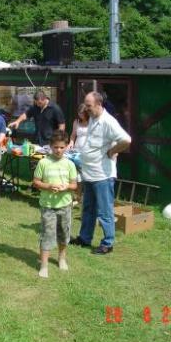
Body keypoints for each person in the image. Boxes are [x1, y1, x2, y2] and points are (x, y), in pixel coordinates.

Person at [70, 92, 131, 255]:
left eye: (89, 105)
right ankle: (84, 238)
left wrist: (112, 151)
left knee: (104, 211)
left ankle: (107, 243)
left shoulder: (108, 121)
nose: (86, 108)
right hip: (89, 172)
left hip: (103, 175)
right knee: (88, 208)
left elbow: (126, 140)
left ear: (99, 104)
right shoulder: (93, 118)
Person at [33, 131, 77, 278]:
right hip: (48, 206)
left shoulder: (70, 164)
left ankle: (62, 258)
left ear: (66, 148)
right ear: (50, 146)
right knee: (47, 234)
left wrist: (66, 187)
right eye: (56, 147)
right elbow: (36, 182)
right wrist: (49, 186)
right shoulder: (43, 162)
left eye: (62, 147)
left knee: (64, 234)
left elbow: (74, 185)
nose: (58, 150)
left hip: (65, 205)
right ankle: (44, 265)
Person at [67, 103, 89, 203]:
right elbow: (73, 135)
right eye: (79, 114)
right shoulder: (76, 122)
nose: (80, 116)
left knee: (86, 175)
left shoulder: (92, 122)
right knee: (76, 175)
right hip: (76, 151)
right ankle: (78, 196)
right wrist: (70, 143)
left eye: (82, 114)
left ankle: (84, 197)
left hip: (87, 152)